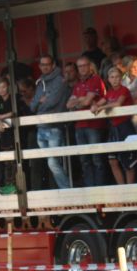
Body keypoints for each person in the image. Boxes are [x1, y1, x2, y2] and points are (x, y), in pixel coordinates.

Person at [66, 56, 108, 187]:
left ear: (90, 66)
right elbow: (68, 104)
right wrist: (81, 100)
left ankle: (100, 191)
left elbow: (87, 102)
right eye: (80, 66)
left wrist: (79, 100)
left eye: (85, 65)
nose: (82, 68)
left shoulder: (96, 80)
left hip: (94, 125)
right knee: (84, 160)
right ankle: (91, 190)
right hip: (79, 126)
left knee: (97, 159)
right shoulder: (78, 84)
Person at [31, 55, 71, 190]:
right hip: (40, 127)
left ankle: (67, 190)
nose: (45, 67)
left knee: (53, 162)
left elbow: (52, 102)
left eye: (47, 64)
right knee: (51, 162)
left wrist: (40, 104)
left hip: (54, 127)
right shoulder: (40, 82)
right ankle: (63, 189)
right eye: (42, 64)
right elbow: (32, 106)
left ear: (53, 65)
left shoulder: (60, 81)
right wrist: (39, 102)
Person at [93, 67, 137, 185]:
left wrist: (101, 107)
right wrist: (95, 106)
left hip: (125, 127)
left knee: (128, 162)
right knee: (112, 160)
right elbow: (99, 103)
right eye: (112, 77)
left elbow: (118, 103)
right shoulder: (109, 93)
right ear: (108, 79)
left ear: (121, 78)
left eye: (117, 77)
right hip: (113, 128)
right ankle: (122, 190)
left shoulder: (124, 90)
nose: (115, 80)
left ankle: (130, 192)